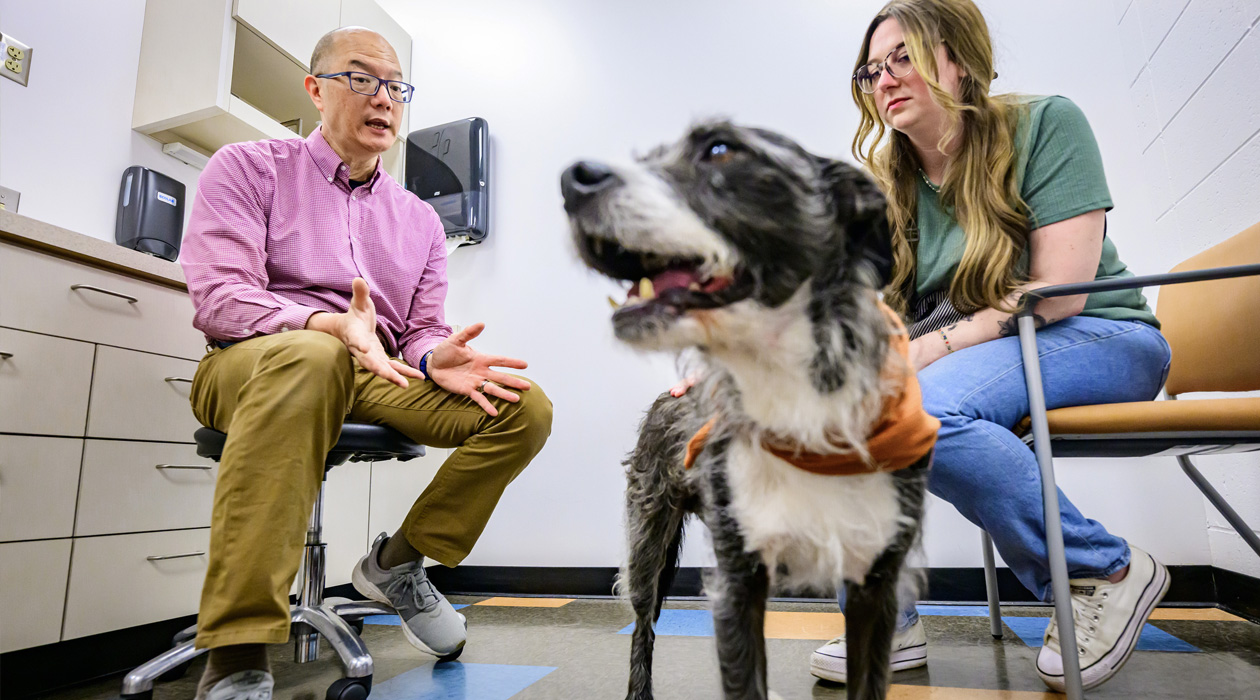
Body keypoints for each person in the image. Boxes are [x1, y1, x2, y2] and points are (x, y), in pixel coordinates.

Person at [802, 1, 1172, 691]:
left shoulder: (1044, 124)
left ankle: (1104, 570)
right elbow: (869, 315)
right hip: (992, 349)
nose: (885, 79)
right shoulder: (892, 184)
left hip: (1101, 335)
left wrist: (933, 348)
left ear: (960, 59)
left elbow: (1058, 289)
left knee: (930, 409)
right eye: (872, 69)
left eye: (904, 56)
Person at [179, 26, 553, 700]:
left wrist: (437, 355)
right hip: (253, 361)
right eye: (360, 78)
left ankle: (397, 563)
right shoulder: (247, 166)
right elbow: (221, 300)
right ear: (314, 89)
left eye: (394, 86)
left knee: (522, 407)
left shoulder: (419, 222)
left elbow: (420, 329)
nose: (382, 98)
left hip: (376, 373)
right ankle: (237, 651)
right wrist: (324, 323)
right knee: (312, 355)